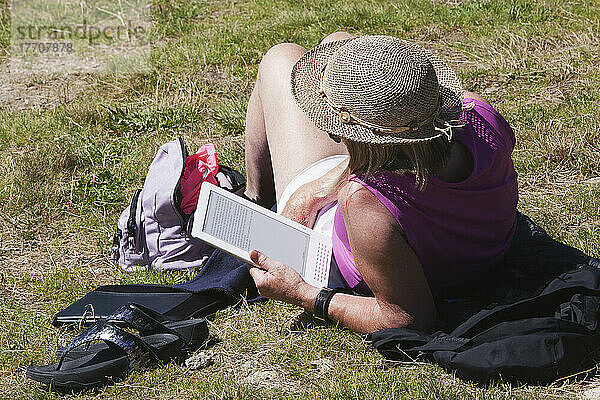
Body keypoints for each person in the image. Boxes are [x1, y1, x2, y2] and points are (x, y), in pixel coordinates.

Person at [242, 33, 518, 334]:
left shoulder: (364, 201)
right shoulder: (481, 115)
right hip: (483, 252)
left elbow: (406, 318)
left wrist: (301, 293)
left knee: (279, 58)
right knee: (341, 42)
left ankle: (254, 197)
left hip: (368, 259)